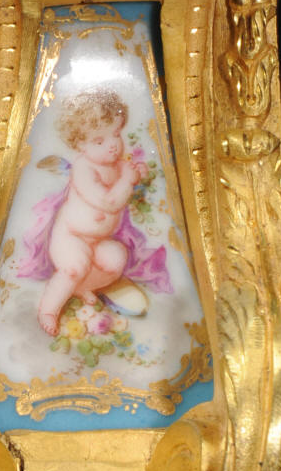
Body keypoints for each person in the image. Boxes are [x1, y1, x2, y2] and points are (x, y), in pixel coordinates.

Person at [17, 89, 171, 335]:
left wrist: (138, 173)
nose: (112, 146)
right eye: (100, 141)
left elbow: (130, 178)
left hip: (97, 240)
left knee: (116, 259)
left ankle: (81, 288)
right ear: (80, 144)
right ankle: (48, 309)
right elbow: (108, 202)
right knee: (73, 267)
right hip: (71, 237)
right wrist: (128, 181)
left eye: (116, 135)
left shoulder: (117, 165)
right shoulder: (83, 169)